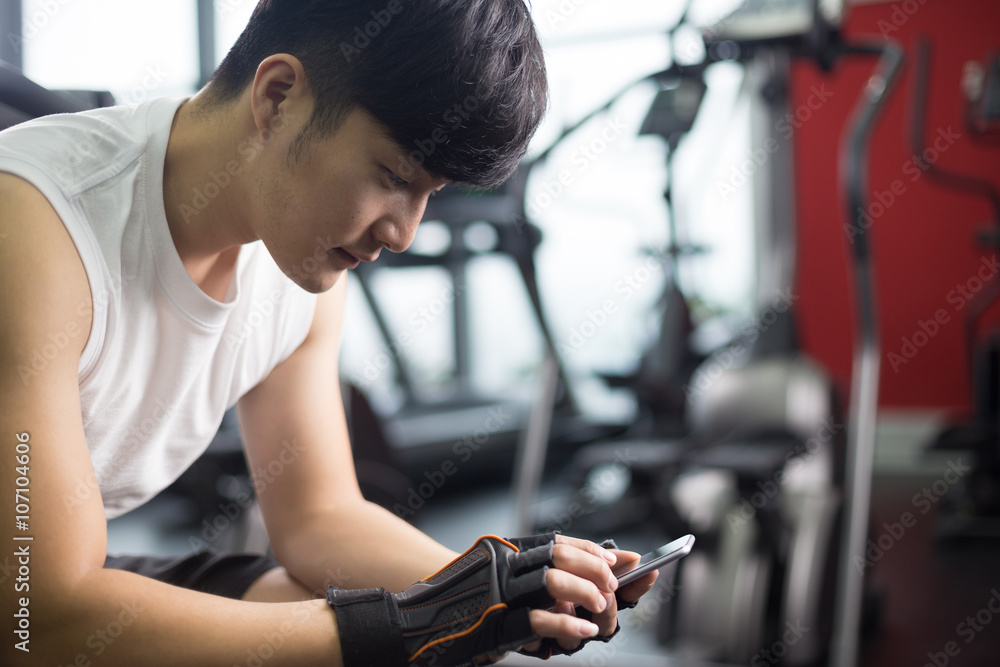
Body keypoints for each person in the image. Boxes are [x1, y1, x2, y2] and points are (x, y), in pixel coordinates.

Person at [0, 1, 658, 665]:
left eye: (429, 193)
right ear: (279, 96)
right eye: (393, 176)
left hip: (48, 585)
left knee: (315, 608)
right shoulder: (33, 230)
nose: (403, 232)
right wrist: (408, 627)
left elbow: (318, 519)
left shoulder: (297, 268)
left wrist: (501, 588)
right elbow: (37, 620)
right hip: (28, 605)